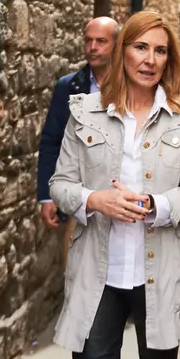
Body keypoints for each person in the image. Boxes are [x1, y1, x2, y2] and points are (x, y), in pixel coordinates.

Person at [48, 11, 180, 359]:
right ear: (123, 51)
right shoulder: (85, 112)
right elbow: (60, 185)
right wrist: (95, 200)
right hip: (98, 271)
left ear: (169, 59)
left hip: (161, 271)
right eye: (141, 47)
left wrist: (155, 205)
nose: (150, 59)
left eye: (160, 50)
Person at [38, 17, 119, 269]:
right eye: (88, 40)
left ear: (116, 45)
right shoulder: (69, 87)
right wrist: (46, 196)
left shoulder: (132, 85)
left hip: (122, 194)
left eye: (101, 41)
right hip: (82, 200)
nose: (92, 47)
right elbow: (52, 140)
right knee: (77, 276)